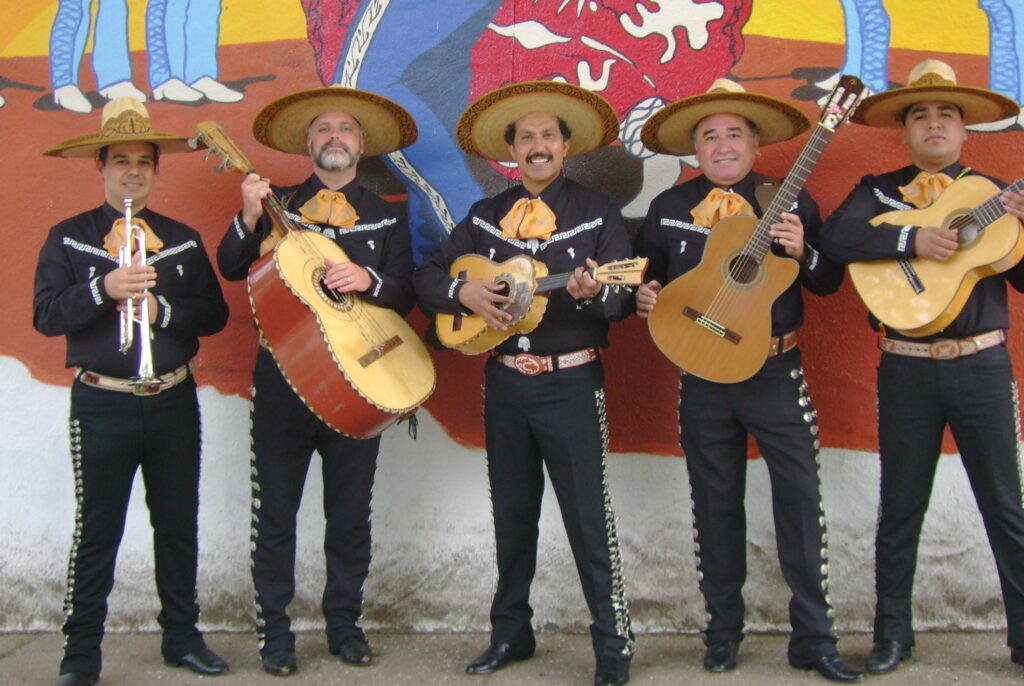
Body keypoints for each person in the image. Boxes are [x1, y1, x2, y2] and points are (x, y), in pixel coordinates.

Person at [634, 79, 863, 682]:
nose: (722, 145)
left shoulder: (788, 201)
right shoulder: (669, 207)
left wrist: (803, 250)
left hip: (775, 372)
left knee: (800, 503)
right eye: (709, 136)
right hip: (702, 374)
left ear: (756, 144)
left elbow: (827, 283)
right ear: (695, 150)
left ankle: (814, 638)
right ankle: (722, 633)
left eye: (734, 133)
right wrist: (643, 295)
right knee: (713, 504)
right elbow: (645, 277)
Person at [414, 80, 635, 686]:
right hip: (506, 384)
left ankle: (613, 645)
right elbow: (428, 277)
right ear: (510, 152)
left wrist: (591, 293)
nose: (538, 146)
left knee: (588, 518)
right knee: (512, 516)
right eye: (527, 137)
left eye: (549, 136)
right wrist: (463, 291)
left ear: (566, 147)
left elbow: (620, 301)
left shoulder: (598, 214)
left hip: (572, 384)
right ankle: (511, 632)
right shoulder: (485, 218)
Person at [820, 58, 1024, 674]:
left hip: (982, 365)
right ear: (904, 131)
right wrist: (911, 239)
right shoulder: (878, 190)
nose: (934, 123)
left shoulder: (997, 196)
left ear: (964, 130)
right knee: (900, 505)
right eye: (920, 115)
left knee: (1005, 506)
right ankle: (892, 635)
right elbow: (837, 240)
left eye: (946, 114)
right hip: (905, 366)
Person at [216, 87, 417, 676]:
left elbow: (406, 292)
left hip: (359, 385)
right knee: (275, 516)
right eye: (323, 129)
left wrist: (370, 281)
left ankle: (345, 627)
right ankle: (275, 635)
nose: (335, 136)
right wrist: (248, 215)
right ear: (308, 144)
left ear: (361, 144)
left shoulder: (386, 213)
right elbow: (230, 265)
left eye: (345, 129)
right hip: (283, 382)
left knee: (350, 515)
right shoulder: (276, 204)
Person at [34, 97, 230, 686]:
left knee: (177, 524)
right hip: (103, 402)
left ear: (155, 169)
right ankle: (80, 655)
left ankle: (182, 637)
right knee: (99, 530)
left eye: (144, 161)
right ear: (101, 165)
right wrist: (105, 288)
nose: (133, 171)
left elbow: (214, 315)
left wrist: (161, 309)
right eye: (121, 160)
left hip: (172, 400)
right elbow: (46, 315)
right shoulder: (69, 238)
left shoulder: (182, 240)